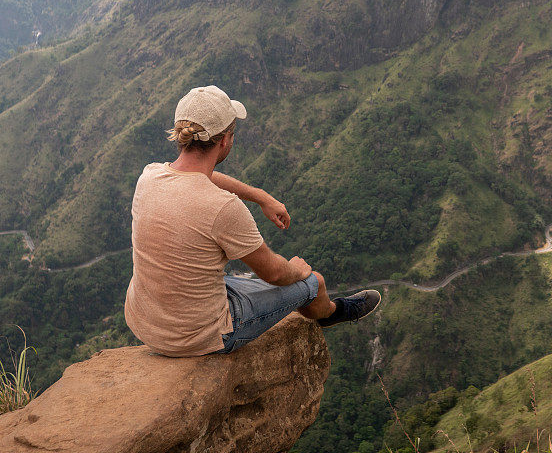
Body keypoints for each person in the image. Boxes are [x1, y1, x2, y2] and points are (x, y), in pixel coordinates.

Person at [124, 85, 380, 356]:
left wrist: (260, 197)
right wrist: (297, 270)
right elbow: (275, 273)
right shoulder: (223, 207)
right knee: (313, 282)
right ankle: (332, 312)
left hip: (145, 320)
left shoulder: (150, 176)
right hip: (198, 336)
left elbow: (200, 177)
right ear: (224, 141)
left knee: (226, 277)